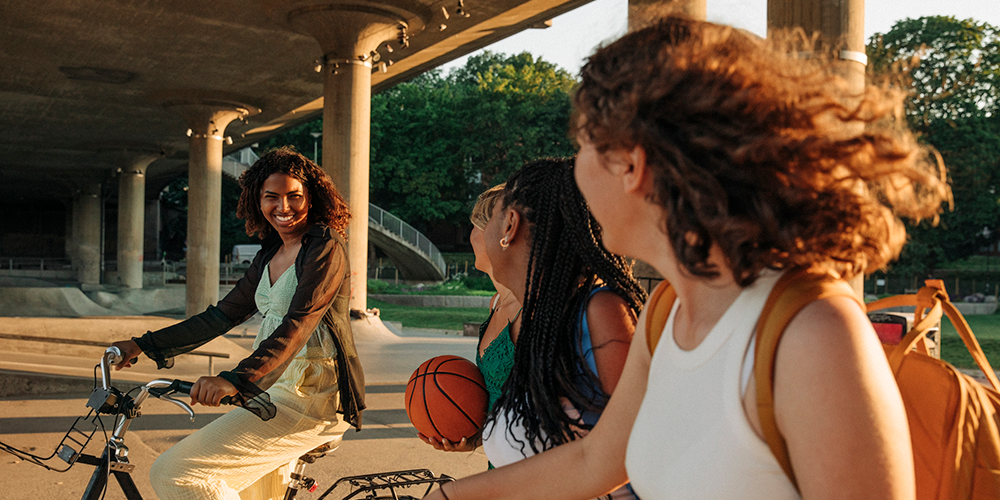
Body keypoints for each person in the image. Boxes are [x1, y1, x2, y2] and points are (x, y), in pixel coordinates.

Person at [423, 16, 950, 500]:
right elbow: (593, 461)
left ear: (632, 165)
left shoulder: (812, 333)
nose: (575, 173)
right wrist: (445, 497)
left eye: (583, 145)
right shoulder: (665, 316)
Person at [110, 147, 365, 500]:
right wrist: (143, 344)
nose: (283, 206)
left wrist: (236, 379)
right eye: (271, 197)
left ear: (312, 197)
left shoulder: (325, 247)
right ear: (257, 201)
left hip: (311, 396)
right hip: (272, 389)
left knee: (176, 474)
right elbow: (220, 316)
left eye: (294, 196)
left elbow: (299, 322)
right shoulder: (269, 254)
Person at [438, 158, 647, 498]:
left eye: (489, 219)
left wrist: (454, 494)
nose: (480, 233)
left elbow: (624, 452)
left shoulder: (600, 310)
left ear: (510, 225)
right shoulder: (540, 319)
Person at [419, 184, 523, 455]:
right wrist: (476, 437)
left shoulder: (529, 311)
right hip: (497, 459)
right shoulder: (496, 302)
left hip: (527, 462)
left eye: (476, 226)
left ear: (504, 234)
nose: (471, 235)